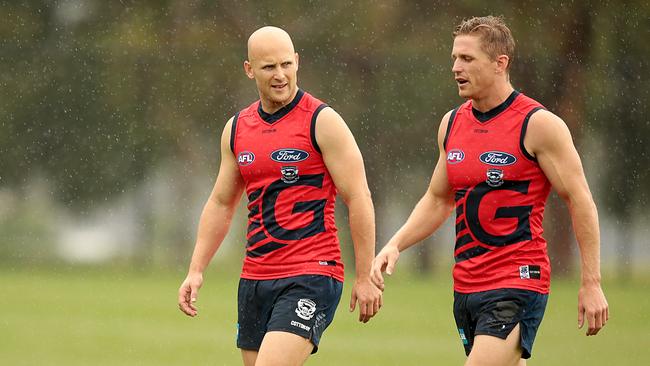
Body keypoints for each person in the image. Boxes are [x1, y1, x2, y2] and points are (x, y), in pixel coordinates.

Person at [371, 15, 608, 366]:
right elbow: (438, 199)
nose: (455, 67)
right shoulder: (451, 123)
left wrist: (592, 282)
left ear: (500, 64)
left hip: (517, 281)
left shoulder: (539, 125)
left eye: (467, 59)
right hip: (466, 285)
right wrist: (395, 244)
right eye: (454, 58)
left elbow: (580, 200)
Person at [177, 26, 381, 366]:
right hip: (255, 279)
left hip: (312, 273)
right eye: (269, 67)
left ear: (298, 61)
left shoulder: (322, 122)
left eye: (287, 64)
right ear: (249, 69)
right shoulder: (237, 129)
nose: (280, 75)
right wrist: (196, 269)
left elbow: (358, 196)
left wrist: (364, 276)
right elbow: (221, 203)